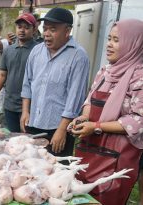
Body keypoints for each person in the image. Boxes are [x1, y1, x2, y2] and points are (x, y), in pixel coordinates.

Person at [69, 19, 143, 205]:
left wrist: (96, 126)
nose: (109, 44)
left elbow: (138, 121)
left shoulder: (139, 76)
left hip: (116, 156)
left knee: (105, 198)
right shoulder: (105, 71)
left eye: (116, 40)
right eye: (109, 38)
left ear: (133, 44)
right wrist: (84, 117)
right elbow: (89, 100)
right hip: (89, 148)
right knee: (79, 194)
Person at [20, 7, 90, 156]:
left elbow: (75, 98)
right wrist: (25, 111)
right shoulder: (37, 51)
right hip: (33, 123)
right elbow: (27, 83)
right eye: (45, 29)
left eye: (53, 30)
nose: (46, 34)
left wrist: (62, 130)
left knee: (56, 173)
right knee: (31, 170)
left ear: (67, 31)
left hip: (57, 128)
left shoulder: (78, 56)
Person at [0, 13, 37, 132]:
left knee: (27, 140)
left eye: (26, 27)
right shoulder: (9, 50)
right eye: (19, 27)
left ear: (34, 30)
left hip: (30, 106)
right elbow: (2, 74)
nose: (22, 30)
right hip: (10, 104)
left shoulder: (38, 50)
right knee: (12, 138)